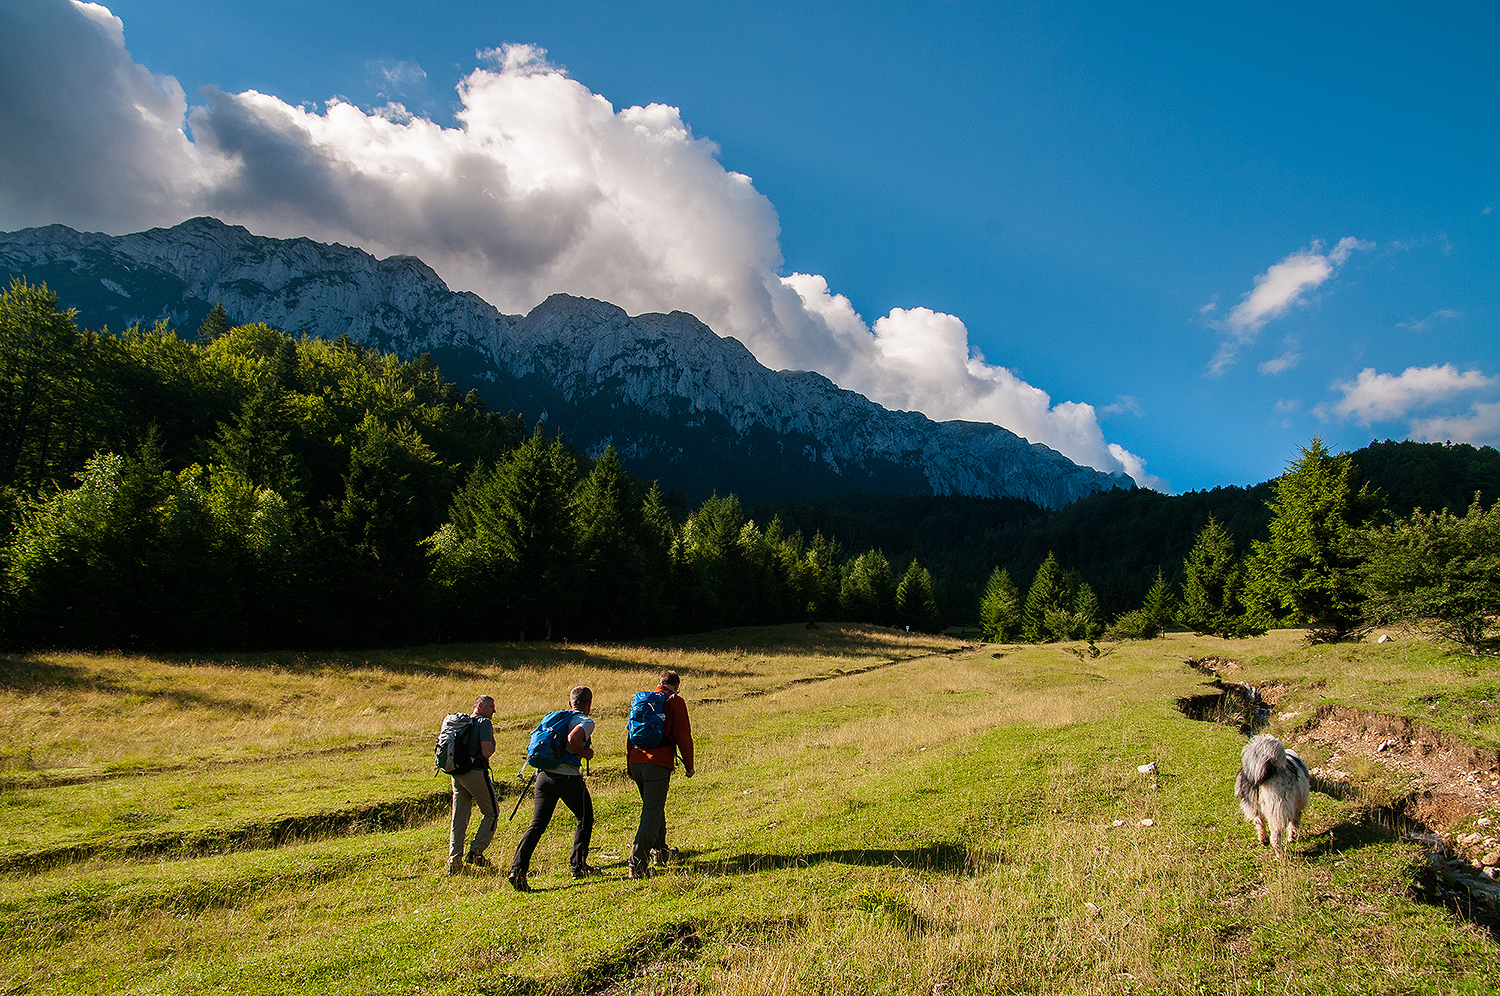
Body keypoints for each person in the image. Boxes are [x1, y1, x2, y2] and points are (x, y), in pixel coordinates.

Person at [508, 686, 598, 891]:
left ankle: (517, 870)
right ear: (589, 703)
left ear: (570, 703)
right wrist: (584, 752)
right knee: (585, 817)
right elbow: (574, 738)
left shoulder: (554, 718)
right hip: (567, 777)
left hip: (543, 776)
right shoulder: (585, 721)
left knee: (537, 825)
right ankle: (578, 865)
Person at [626, 669, 694, 879]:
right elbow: (683, 735)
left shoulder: (642, 701)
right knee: (652, 811)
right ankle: (637, 864)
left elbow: (630, 732)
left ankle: (660, 851)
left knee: (654, 807)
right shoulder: (675, 701)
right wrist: (689, 764)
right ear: (676, 685)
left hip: (636, 761)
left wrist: (629, 763)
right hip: (658, 762)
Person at [447, 694, 498, 875]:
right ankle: (476, 852)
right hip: (475, 773)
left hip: (457, 774)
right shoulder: (484, 723)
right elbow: (486, 751)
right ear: (479, 706)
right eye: (491, 706)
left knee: (458, 819)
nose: (494, 710)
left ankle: (454, 862)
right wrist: (493, 743)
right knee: (491, 813)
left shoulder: (463, 723)